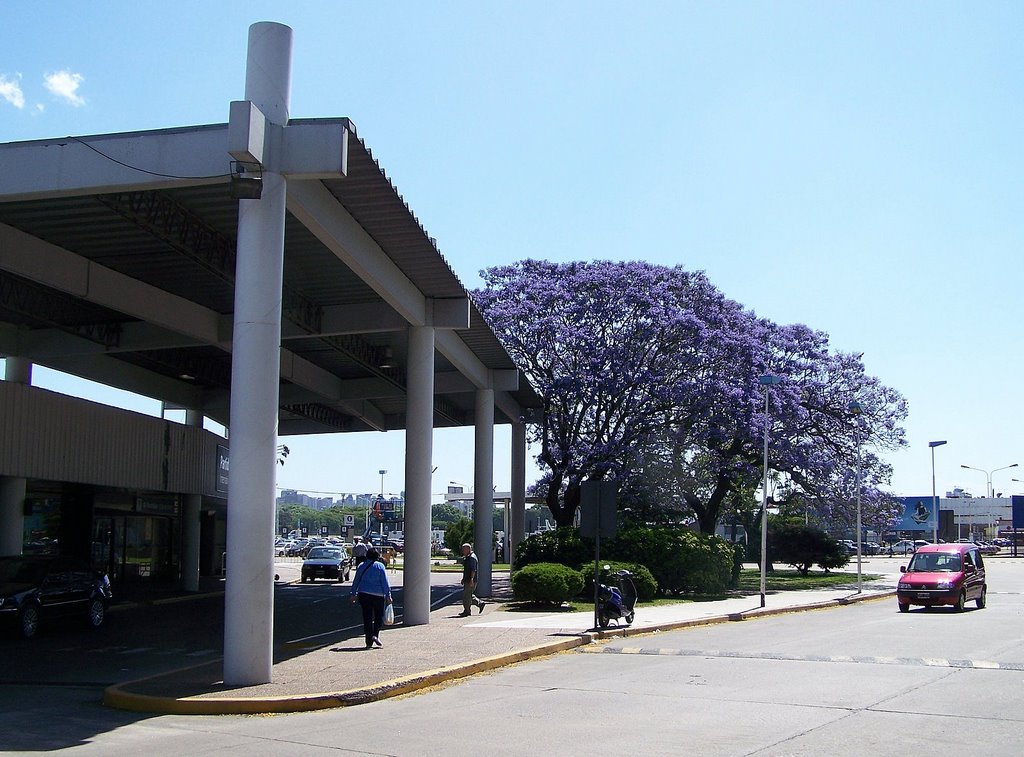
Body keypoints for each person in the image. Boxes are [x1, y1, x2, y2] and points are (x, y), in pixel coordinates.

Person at [350, 547, 392, 648]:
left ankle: (368, 641)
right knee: (378, 616)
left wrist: (353, 594)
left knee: (367, 617)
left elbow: (356, 581)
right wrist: (388, 595)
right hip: (378, 595)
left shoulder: (361, 566)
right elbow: (385, 582)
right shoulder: (380, 566)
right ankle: (375, 635)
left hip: (364, 594)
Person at [459, 543, 486, 617]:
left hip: (471, 580)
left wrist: (471, 579)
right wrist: (463, 579)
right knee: (468, 595)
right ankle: (480, 603)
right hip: (467, 579)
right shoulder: (468, 557)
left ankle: (467, 611)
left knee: (467, 596)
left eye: (463, 549)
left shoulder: (472, 558)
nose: (462, 551)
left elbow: (473, 570)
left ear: (468, 549)